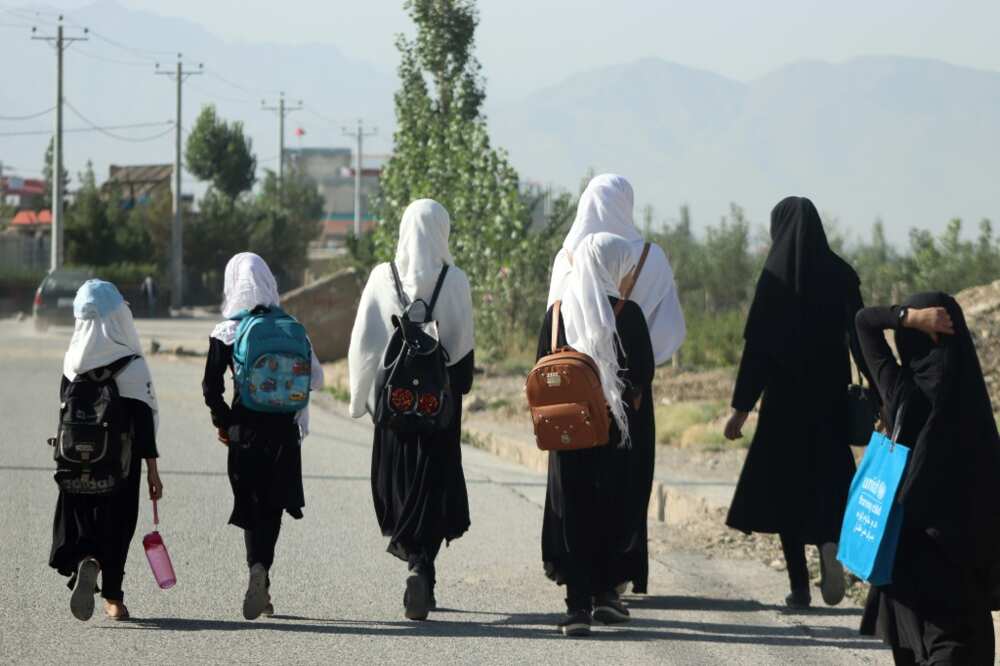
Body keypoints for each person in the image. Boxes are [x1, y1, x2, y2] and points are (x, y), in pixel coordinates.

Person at [723, 196, 872, 609]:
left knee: (786, 489)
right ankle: (828, 542)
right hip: (828, 402)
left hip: (783, 406)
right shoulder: (841, 273)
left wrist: (740, 408)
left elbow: (758, 351)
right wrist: (882, 390)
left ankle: (799, 587)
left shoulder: (775, 277)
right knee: (827, 479)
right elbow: (861, 338)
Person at [546, 173, 685, 596]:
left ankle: (574, 573)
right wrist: (629, 367)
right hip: (631, 396)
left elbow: (554, 327)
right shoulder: (651, 258)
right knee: (626, 479)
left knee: (573, 482)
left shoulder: (566, 258)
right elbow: (668, 330)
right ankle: (617, 574)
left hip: (573, 395)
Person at [347, 199, 475, 622]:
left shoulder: (382, 276)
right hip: (439, 410)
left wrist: (359, 400)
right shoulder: (454, 280)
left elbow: (364, 344)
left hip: (395, 411)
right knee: (434, 491)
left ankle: (418, 567)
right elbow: (462, 356)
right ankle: (424, 567)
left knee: (401, 489)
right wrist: (453, 397)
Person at [855, 293, 1000, 665]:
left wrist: (906, 317)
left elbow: (864, 322)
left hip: (904, 556)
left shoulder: (902, 389)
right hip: (963, 563)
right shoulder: (973, 405)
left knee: (913, 646)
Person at [538, 232, 656, 637]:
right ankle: (607, 593)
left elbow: (542, 365)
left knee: (573, 510)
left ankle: (576, 609)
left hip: (567, 435)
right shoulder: (630, 313)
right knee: (611, 507)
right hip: (614, 434)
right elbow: (643, 374)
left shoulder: (556, 314)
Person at [202, 252, 324, 620]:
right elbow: (316, 379)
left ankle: (256, 570)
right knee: (272, 510)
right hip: (284, 432)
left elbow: (210, 387)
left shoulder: (226, 330)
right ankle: (263, 574)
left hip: (246, 431)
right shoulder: (290, 325)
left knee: (252, 507)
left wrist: (223, 422)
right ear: (269, 281)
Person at [49, 279, 163, 621]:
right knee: (117, 526)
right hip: (121, 467)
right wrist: (153, 474)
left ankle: (86, 560)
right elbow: (144, 427)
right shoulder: (131, 365)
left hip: (76, 462)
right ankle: (113, 598)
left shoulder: (73, 361)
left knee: (82, 515)